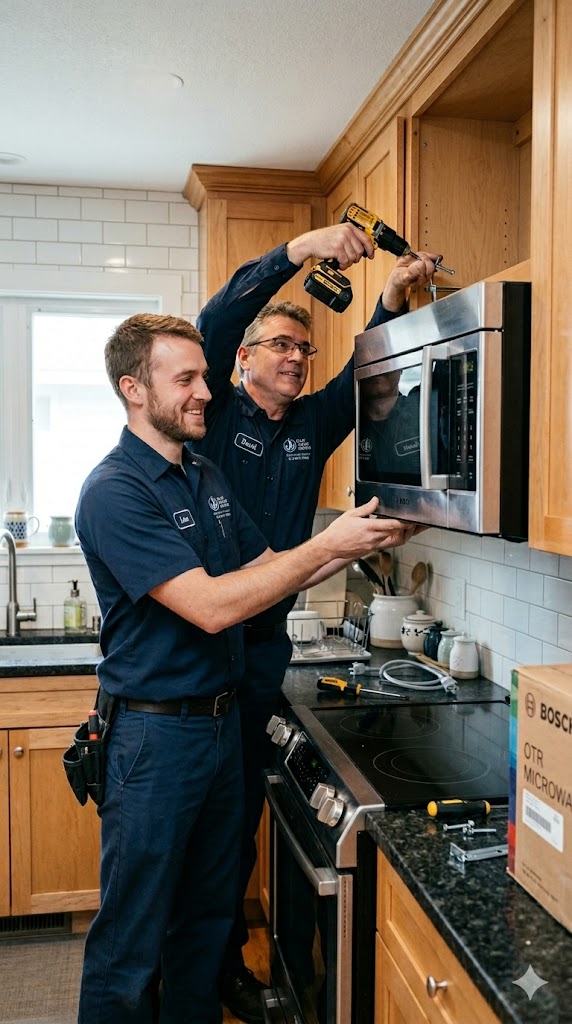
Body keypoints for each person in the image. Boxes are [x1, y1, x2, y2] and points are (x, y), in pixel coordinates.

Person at [74, 310, 417, 1024]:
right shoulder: (114, 491)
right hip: (152, 742)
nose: (206, 390)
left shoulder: (203, 473)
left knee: (205, 925)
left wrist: (362, 536)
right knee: (130, 944)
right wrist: (328, 548)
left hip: (220, 730)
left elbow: (265, 568)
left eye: (205, 375)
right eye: (188, 379)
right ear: (134, 389)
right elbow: (208, 606)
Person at [192, 224, 437, 1021]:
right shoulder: (215, 414)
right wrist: (299, 251)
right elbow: (220, 318)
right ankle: (183, 978)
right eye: (281, 346)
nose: (296, 358)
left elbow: (366, 364)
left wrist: (394, 294)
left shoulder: (309, 427)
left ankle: (224, 969)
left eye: (304, 348)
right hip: (201, 648)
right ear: (245, 360)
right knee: (194, 831)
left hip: (261, 658)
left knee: (235, 830)